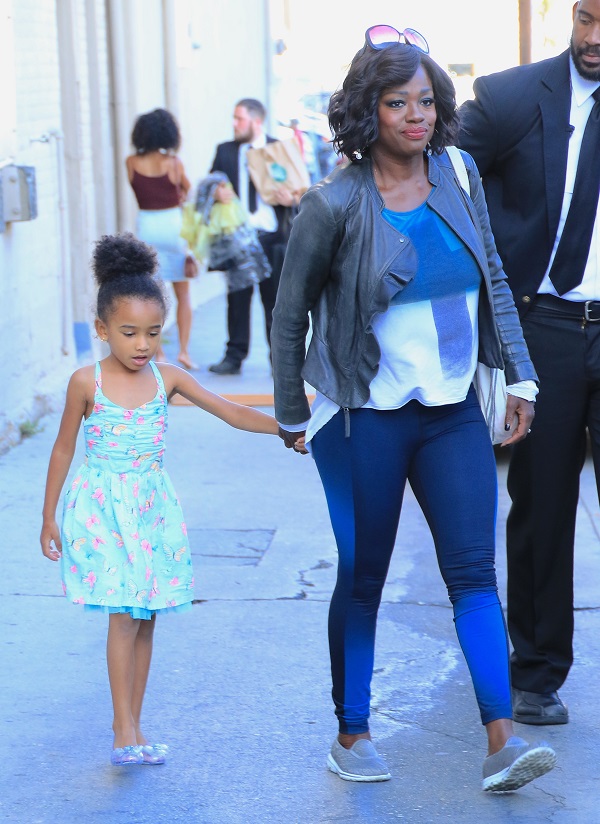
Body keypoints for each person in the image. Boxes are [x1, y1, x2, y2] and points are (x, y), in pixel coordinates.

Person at [271, 25, 555, 792]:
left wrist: (520, 377)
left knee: (473, 572)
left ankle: (502, 738)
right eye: (398, 103)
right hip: (363, 414)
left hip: (450, 408)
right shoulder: (333, 205)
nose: (416, 115)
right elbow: (290, 310)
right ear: (369, 113)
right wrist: (289, 408)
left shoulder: (459, 174)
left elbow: (493, 274)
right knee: (363, 576)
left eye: (425, 100)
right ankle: (351, 731)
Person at [40, 233, 279, 766]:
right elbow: (61, 450)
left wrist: (284, 429)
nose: (141, 344)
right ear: (103, 330)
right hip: (101, 510)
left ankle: (132, 722)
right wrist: (48, 516)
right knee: (123, 615)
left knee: (146, 615)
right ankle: (124, 727)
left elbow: (231, 411)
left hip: (151, 511)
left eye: (152, 332)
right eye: (128, 333)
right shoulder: (86, 382)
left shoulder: (166, 378)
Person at [457, 0, 600, 726]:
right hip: (546, 323)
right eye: (585, 16)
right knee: (543, 503)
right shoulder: (511, 98)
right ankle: (537, 673)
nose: (593, 38)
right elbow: (436, 169)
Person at [208, 98, 297, 375]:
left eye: (240, 119)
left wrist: (290, 198)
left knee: (275, 303)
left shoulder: (278, 149)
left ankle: (278, 361)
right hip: (239, 235)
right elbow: (209, 185)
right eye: (234, 119)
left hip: (272, 236)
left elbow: (299, 190)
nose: (234, 124)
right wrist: (215, 193)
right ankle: (233, 357)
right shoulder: (225, 151)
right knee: (237, 299)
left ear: (256, 121)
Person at [126, 108, 198, 370]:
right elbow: (187, 189)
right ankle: (185, 352)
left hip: (146, 228)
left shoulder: (131, 162)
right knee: (183, 295)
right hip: (173, 228)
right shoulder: (174, 163)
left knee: (153, 296)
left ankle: (158, 355)